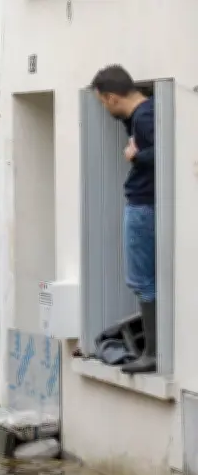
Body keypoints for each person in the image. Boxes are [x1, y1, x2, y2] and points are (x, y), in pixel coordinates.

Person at [91, 65, 157, 374]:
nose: (104, 109)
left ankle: (152, 353)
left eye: (103, 103)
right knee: (147, 280)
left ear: (112, 97)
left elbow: (164, 153)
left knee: (142, 280)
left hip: (144, 205)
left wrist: (134, 157)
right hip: (147, 204)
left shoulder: (144, 117)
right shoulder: (144, 114)